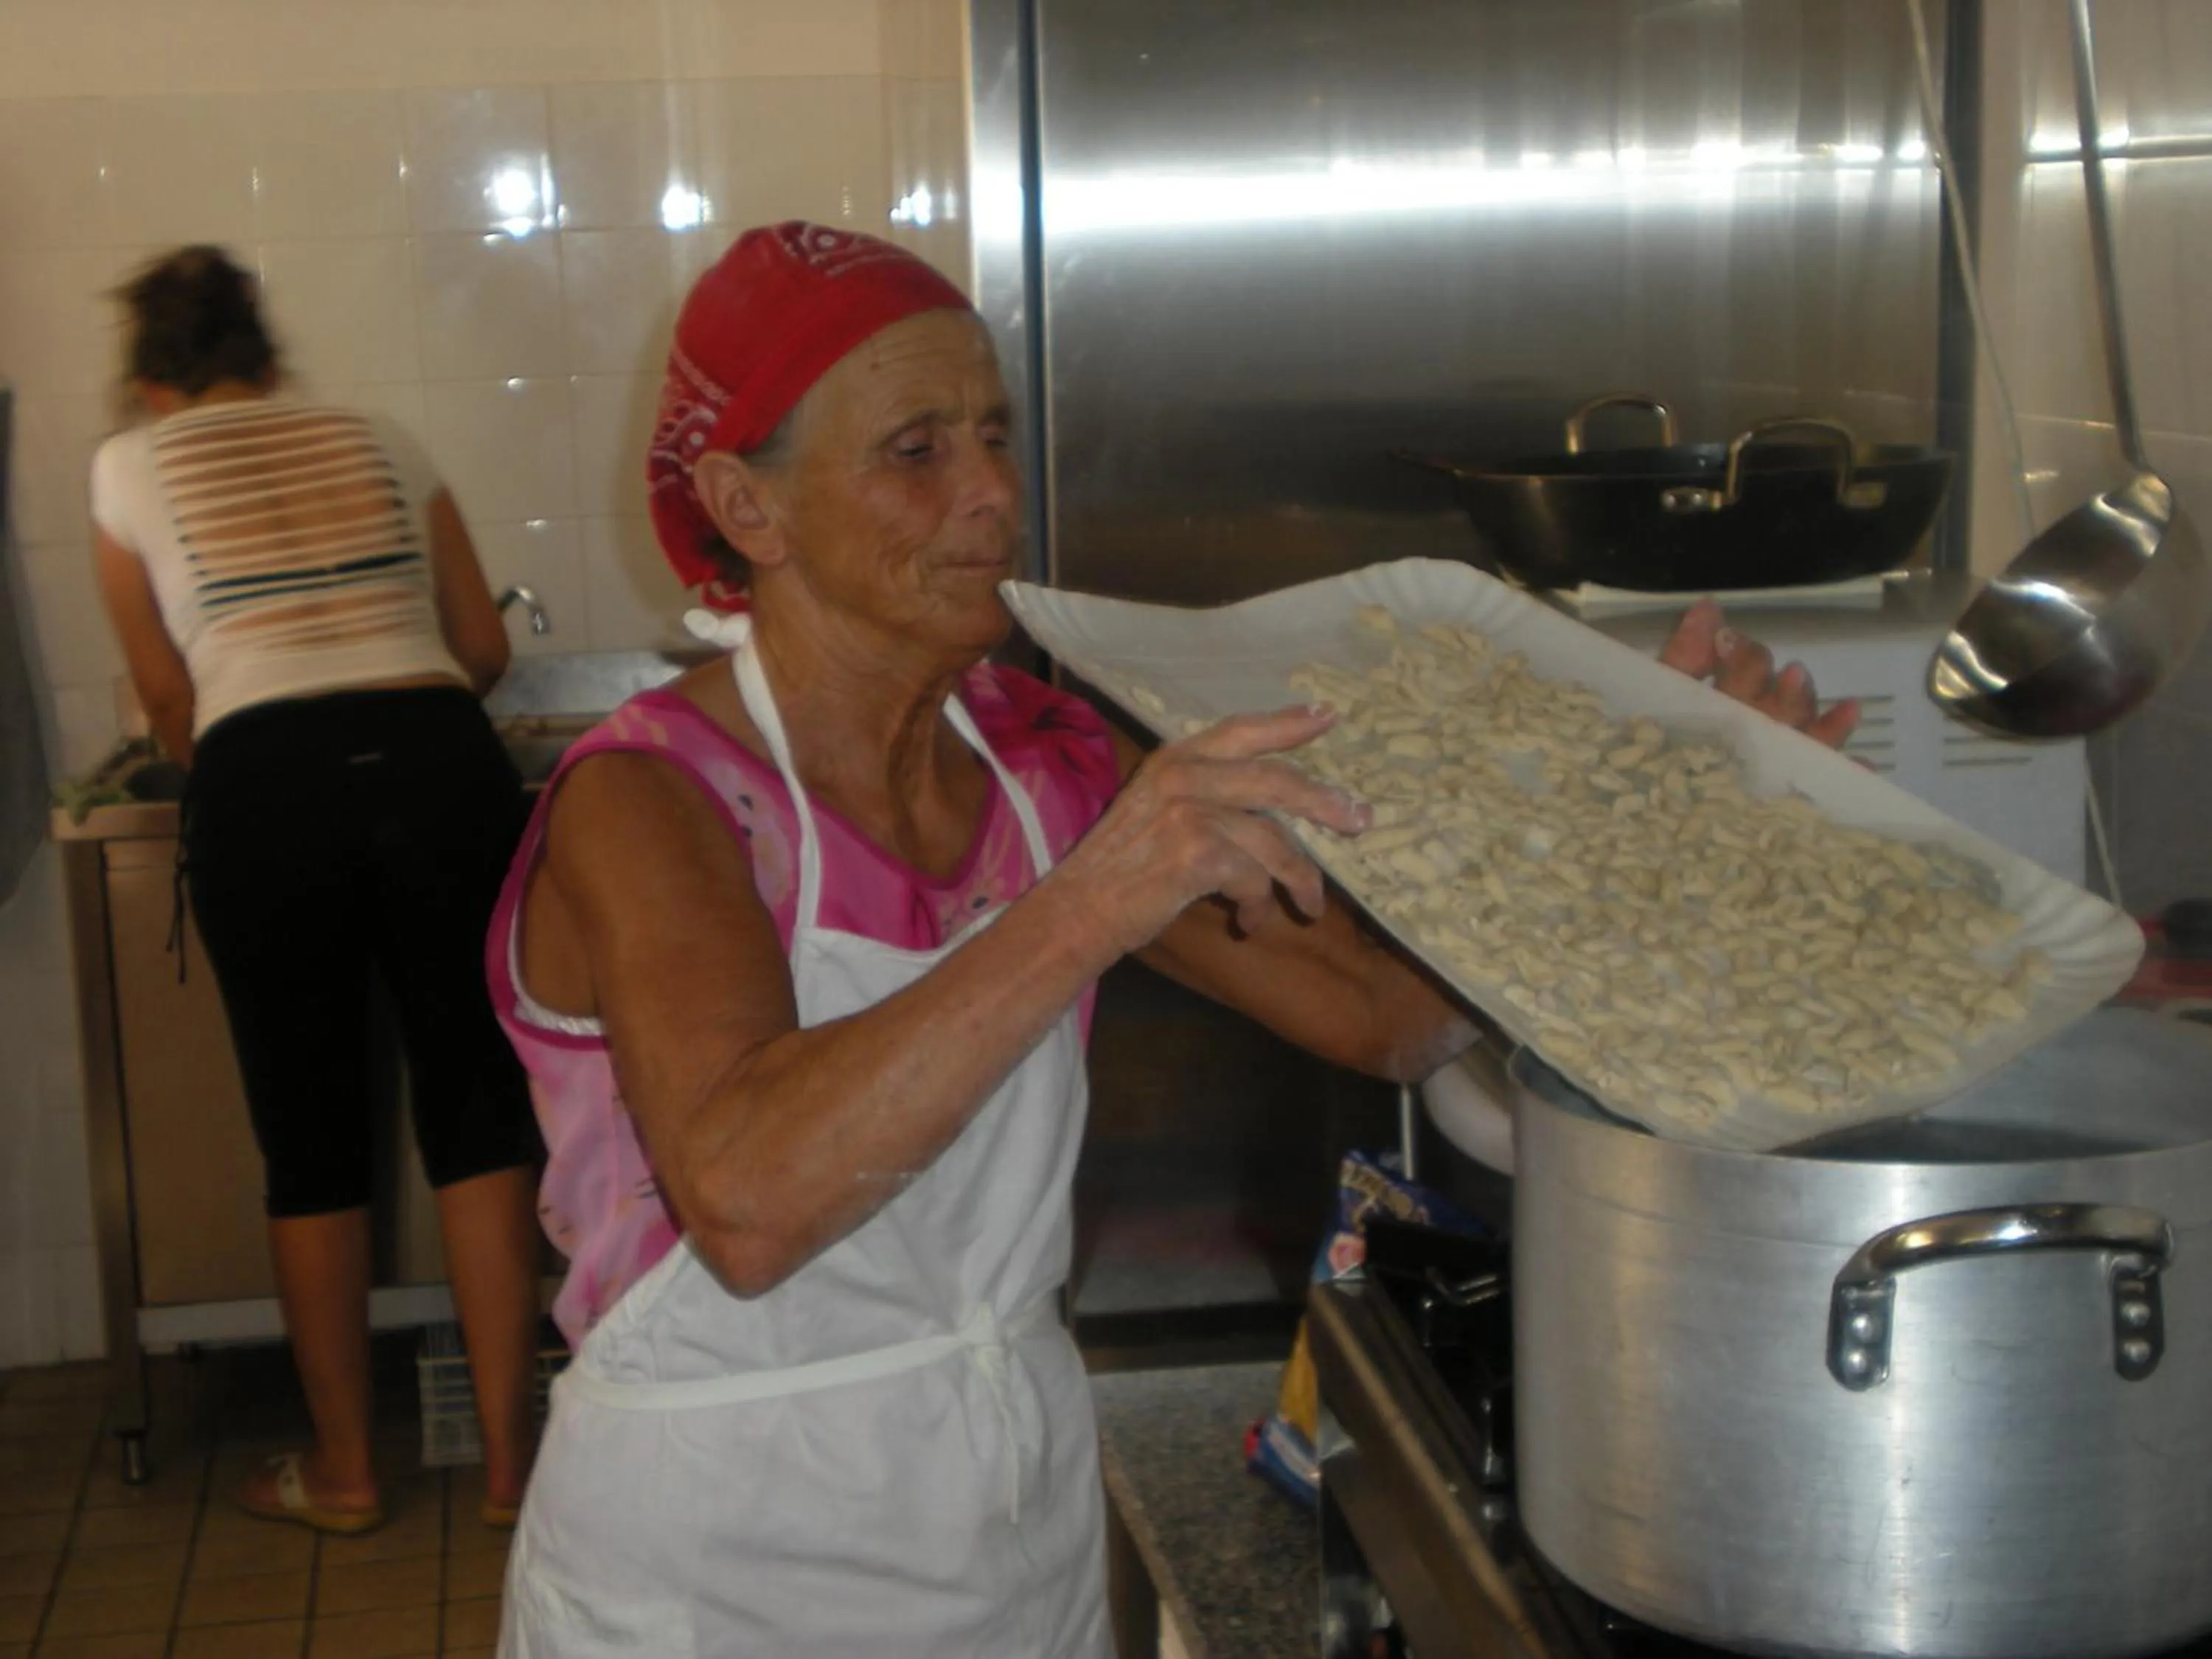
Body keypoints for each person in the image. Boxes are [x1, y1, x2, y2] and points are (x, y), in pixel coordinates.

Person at [488, 221, 1857, 1655]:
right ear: (745, 508)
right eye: (918, 451)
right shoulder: (650, 802)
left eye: (995, 436)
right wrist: (1094, 896)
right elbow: (752, 1200)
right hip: (716, 1568)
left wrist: (1655, 820)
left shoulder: (1041, 763)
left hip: (1010, 1538)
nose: (993, 497)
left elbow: (1387, 1014)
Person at [90, 247, 545, 1533]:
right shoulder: (382, 435)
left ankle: (346, 1473)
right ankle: (514, 1469)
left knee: (313, 1140)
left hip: (268, 778)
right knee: (475, 1114)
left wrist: (253, 759)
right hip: (441, 763)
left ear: (150, 380)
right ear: (265, 354)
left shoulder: (127, 466)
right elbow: (484, 648)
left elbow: (171, 696)